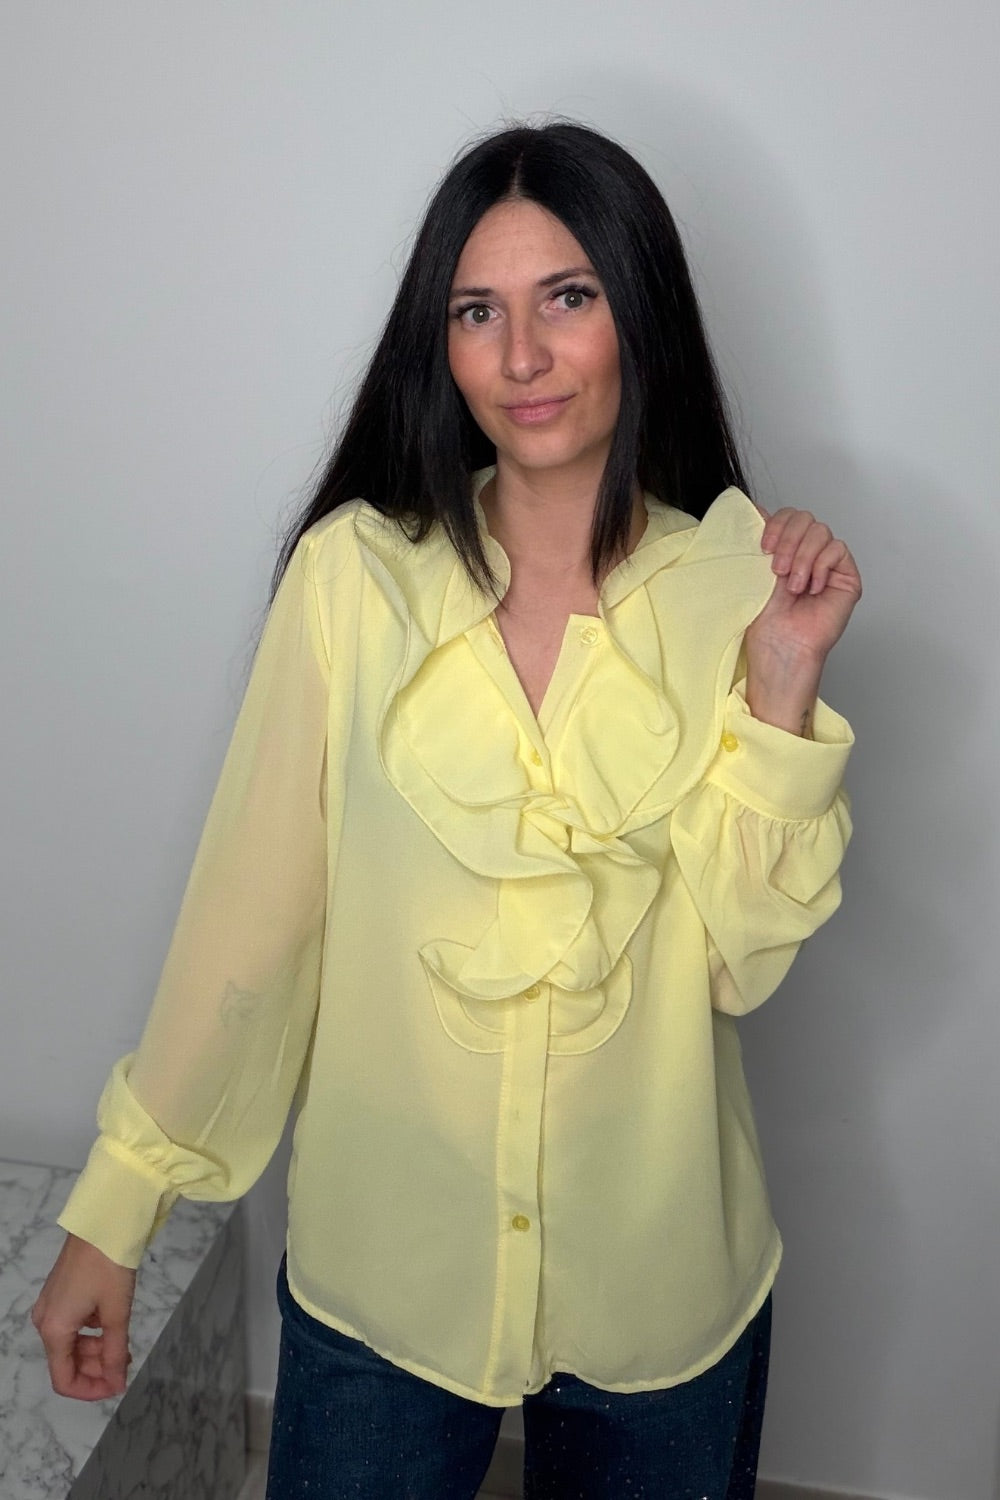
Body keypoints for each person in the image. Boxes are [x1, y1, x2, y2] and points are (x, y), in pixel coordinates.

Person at [33, 121, 861, 1498]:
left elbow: (736, 967)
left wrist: (780, 680)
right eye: (478, 311)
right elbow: (250, 923)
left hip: (660, 1286)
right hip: (386, 1282)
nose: (521, 356)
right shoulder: (354, 579)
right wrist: (118, 1209)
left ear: (639, 310)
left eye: (567, 298)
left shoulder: (738, 587)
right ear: (442, 342)